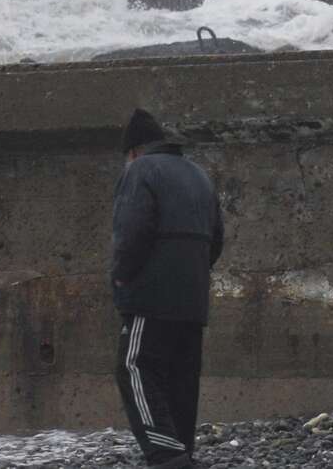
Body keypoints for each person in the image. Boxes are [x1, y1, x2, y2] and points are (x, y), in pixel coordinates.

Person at [112, 109, 225, 469]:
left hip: (152, 293)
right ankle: (182, 451)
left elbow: (132, 231)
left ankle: (165, 454)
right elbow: (217, 238)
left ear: (133, 151)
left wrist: (121, 275)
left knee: (135, 366)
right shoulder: (199, 174)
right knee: (180, 375)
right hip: (193, 297)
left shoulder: (140, 171)